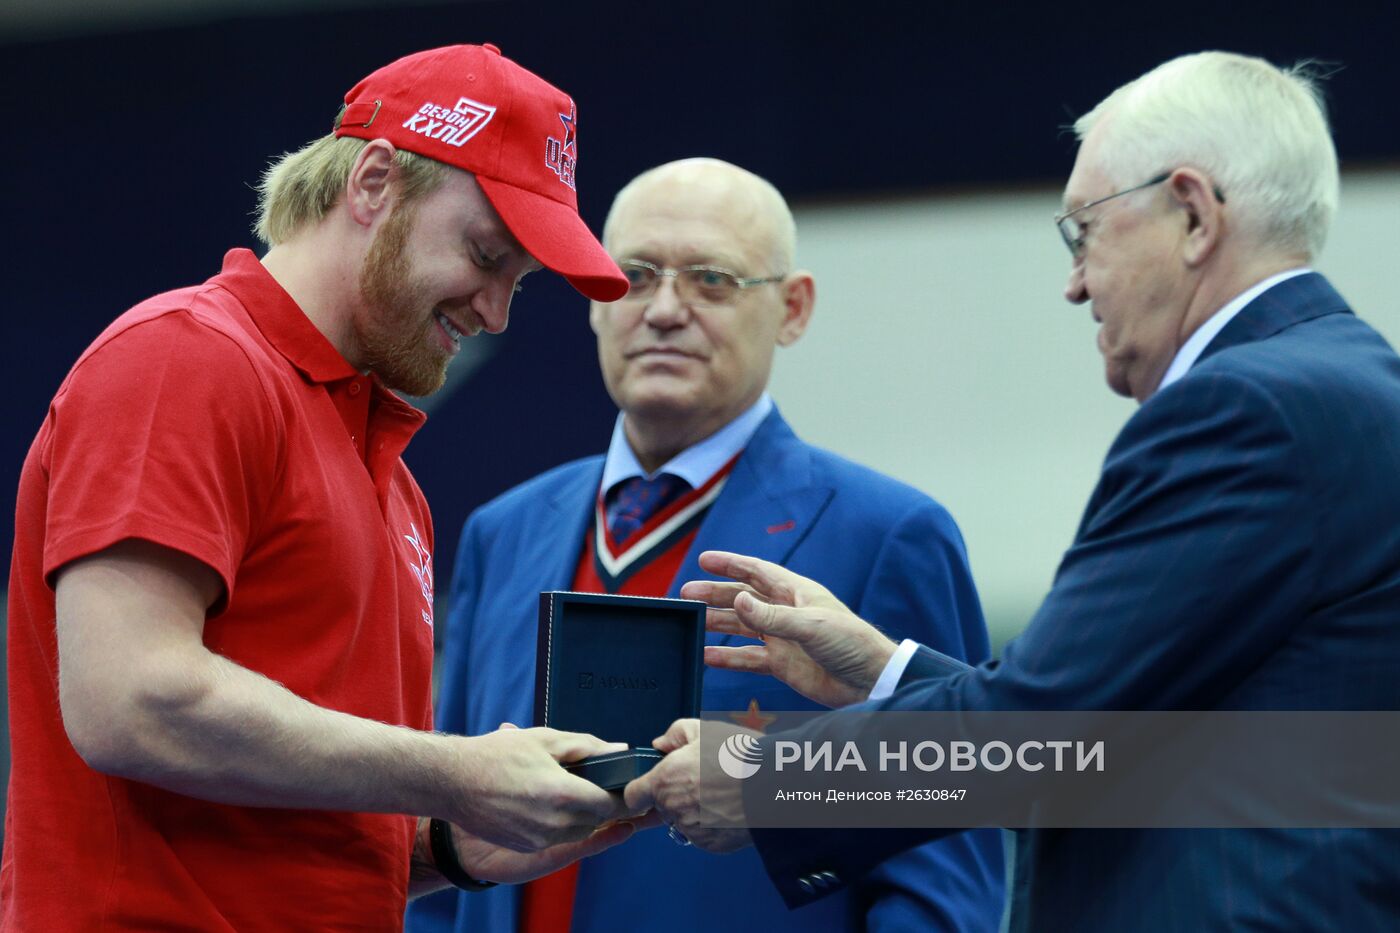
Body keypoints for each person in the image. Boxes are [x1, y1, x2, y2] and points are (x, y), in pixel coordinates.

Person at [628, 52, 1400, 931]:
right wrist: (888, 670)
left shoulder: (1247, 408)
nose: (1075, 284)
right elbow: (1111, 739)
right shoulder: (1349, 385)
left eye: (1086, 233)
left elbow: (1042, 740)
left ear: (1191, 213)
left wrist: (767, 780)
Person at [3, 44, 648, 932]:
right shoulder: (183, 359)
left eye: (520, 284)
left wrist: (454, 845)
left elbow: (298, 825)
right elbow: (129, 700)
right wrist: (454, 770)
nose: (497, 310)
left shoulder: (394, 484)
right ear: (374, 181)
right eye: (487, 254)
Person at [407, 158, 1004, 933]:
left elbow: (949, 856)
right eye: (634, 277)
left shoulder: (887, 533)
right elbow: (450, 835)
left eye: (712, 280)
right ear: (594, 300)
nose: (663, 310)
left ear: (793, 308)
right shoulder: (505, 530)